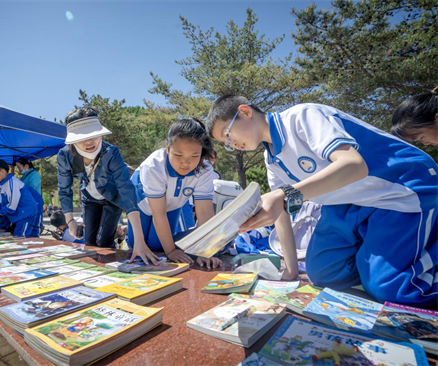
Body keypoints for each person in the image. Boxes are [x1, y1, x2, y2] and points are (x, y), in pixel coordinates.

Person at [205, 95, 438, 306]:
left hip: (400, 190)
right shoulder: (271, 160)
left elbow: (353, 165)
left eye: (228, 134)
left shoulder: (302, 117)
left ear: (245, 112)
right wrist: (291, 271)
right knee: (323, 273)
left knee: (390, 287)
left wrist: (285, 195)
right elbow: (282, 212)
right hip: (348, 201)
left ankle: (402, 260)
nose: (232, 144)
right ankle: (379, 257)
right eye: (226, 142)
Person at [57, 107, 154, 263]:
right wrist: (70, 222)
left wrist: (139, 240)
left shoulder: (111, 153)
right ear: (72, 140)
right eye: (82, 137)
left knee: (103, 241)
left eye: (94, 135)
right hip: (89, 199)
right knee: (89, 242)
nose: (90, 142)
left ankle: (111, 262)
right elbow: (64, 189)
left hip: (112, 198)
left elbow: (126, 191)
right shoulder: (65, 155)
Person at [128, 119, 222, 268]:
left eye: (194, 156)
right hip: (142, 205)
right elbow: (158, 213)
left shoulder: (205, 169)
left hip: (172, 206)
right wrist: (171, 251)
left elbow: (204, 212)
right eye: (178, 155)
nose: (186, 163)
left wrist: (204, 251)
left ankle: (192, 243)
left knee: (158, 245)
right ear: (167, 147)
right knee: (136, 245)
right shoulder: (153, 166)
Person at [0, 160, 40, 237]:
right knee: (21, 237)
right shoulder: (2, 185)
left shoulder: (12, 182)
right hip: (20, 216)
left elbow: (12, 206)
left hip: (26, 215)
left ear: (2, 171)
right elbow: (0, 202)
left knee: (20, 238)